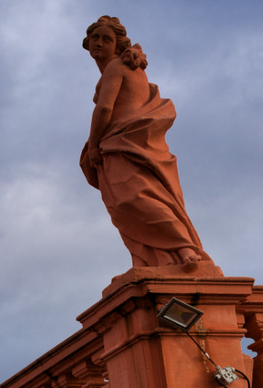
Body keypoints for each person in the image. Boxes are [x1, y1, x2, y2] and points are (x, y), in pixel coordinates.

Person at [79, 16, 217, 278]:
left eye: (106, 39)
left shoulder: (116, 67)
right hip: (127, 142)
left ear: (118, 44)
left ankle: (185, 249)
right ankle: (153, 260)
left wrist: (94, 145)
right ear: (87, 43)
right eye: (95, 38)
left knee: (134, 198)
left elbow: (105, 108)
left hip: (124, 143)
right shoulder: (126, 68)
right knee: (127, 202)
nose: (99, 43)